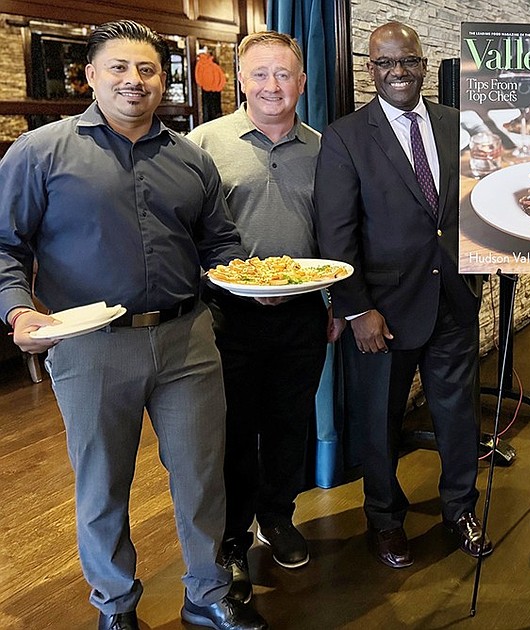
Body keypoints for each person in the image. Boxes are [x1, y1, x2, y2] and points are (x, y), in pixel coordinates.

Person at [0, 20, 267, 630]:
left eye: (146, 69)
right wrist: (17, 310)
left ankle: (206, 594)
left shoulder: (191, 159)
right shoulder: (40, 153)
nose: (133, 81)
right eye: (118, 68)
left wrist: (251, 284)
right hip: (90, 344)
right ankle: (115, 606)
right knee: (103, 483)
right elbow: (3, 245)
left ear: (161, 80)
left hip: (188, 338)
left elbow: (219, 243)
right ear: (91, 76)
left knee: (202, 475)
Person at [313, 21, 489, 569]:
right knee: (378, 421)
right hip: (381, 315)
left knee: (458, 415)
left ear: (423, 62)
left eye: (408, 61)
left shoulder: (457, 125)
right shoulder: (345, 136)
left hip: (453, 303)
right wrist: (357, 308)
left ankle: (461, 507)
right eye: (386, 64)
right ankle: (385, 519)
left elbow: (477, 204)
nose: (399, 73)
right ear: (372, 70)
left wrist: (484, 268)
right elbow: (336, 234)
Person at [189, 31, 332, 603]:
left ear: (302, 82)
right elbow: (189, 234)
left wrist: (333, 305)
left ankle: (277, 516)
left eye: (285, 74)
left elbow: (334, 235)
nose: (273, 86)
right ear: (241, 79)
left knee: (288, 422)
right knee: (230, 428)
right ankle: (230, 537)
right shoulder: (202, 144)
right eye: (261, 73)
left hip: (302, 313)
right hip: (227, 316)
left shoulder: (325, 149)